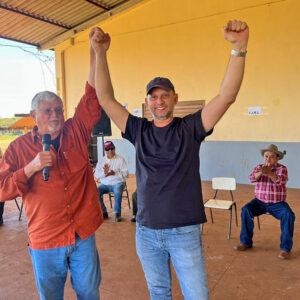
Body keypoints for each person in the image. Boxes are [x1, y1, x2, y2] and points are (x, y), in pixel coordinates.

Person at [89, 19, 249, 299]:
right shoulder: (138, 130)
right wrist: (100, 53)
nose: (159, 101)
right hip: (147, 231)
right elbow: (105, 97)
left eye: (165, 96)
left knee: (197, 295)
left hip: (184, 233)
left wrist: (239, 48)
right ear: (147, 102)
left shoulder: (190, 129)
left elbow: (227, 95)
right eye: (154, 97)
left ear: (175, 98)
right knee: (159, 293)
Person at [0, 40, 103, 299]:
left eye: (59, 110)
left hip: (82, 235)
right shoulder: (17, 149)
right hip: (45, 240)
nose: (55, 115)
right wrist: (30, 168)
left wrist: (96, 51)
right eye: (47, 111)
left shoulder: (75, 132)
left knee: (89, 294)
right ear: (34, 115)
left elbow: (92, 96)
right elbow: (1, 189)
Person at [234, 144, 295, 260]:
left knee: (288, 215)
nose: (268, 159)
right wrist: (262, 172)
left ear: (277, 159)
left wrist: (270, 173)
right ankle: (246, 242)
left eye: (271, 157)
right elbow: (251, 179)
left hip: (277, 204)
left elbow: (281, 182)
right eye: (266, 156)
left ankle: (285, 249)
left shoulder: (282, 169)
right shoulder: (259, 167)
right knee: (246, 210)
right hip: (259, 202)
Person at [94, 141, 129, 222]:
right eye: (107, 149)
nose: (110, 151)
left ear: (114, 148)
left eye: (112, 148)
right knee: (96, 191)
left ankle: (117, 213)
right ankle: (104, 211)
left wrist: (115, 173)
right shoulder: (101, 161)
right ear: (104, 151)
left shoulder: (121, 159)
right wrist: (105, 173)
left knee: (117, 191)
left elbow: (126, 174)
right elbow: (96, 174)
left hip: (118, 183)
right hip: (105, 184)